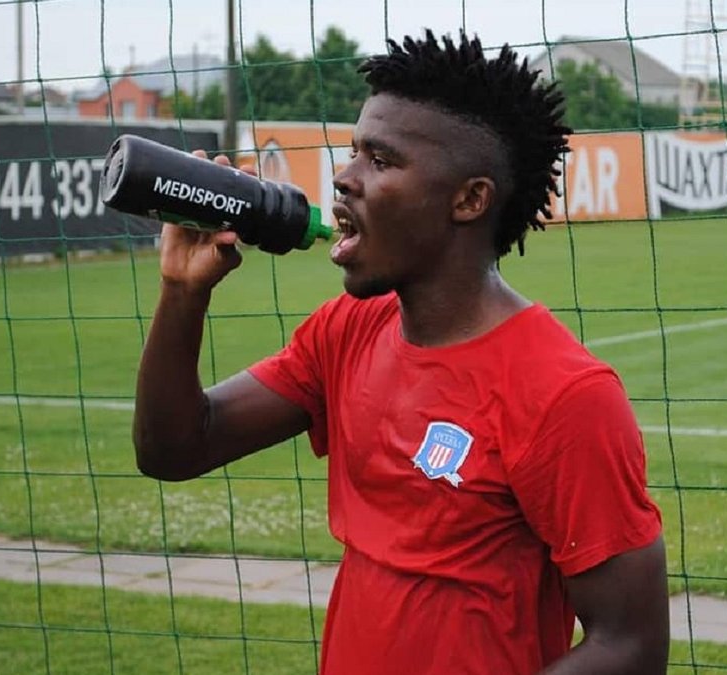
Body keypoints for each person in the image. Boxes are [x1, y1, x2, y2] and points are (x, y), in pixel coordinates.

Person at [133, 29, 668, 675]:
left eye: (381, 161)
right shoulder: (347, 329)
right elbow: (176, 448)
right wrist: (181, 291)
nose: (344, 177)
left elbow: (631, 646)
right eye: (354, 151)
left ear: (469, 199)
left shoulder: (567, 396)